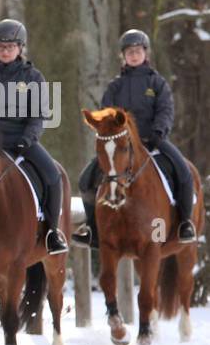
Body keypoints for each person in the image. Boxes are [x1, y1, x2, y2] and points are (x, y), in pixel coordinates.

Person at [73, 28, 197, 246]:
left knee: (184, 172)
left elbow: (166, 109)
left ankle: (184, 222)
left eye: (137, 51)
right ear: (123, 56)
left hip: (153, 141)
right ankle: (93, 229)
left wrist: (159, 132)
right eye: (129, 52)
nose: (133, 55)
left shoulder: (157, 83)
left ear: (145, 54)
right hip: (121, 145)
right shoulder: (115, 86)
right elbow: (106, 113)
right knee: (85, 180)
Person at [0, 19, 68, 254]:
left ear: (20, 48)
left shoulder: (33, 77)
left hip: (22, 141)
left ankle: (52, 232)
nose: (5, 51)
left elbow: (39, 116)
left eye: (10, 46)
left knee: (53, 176)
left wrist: (28, 138)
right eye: (1, 46)